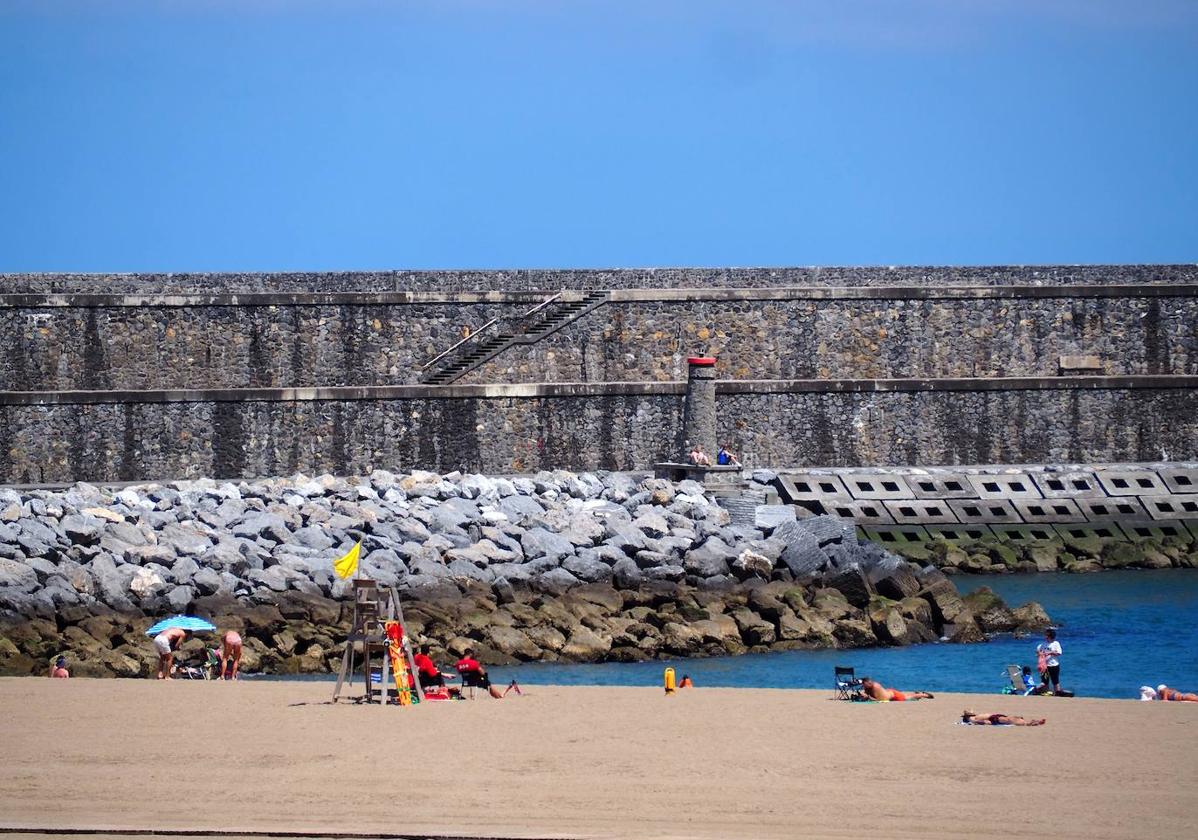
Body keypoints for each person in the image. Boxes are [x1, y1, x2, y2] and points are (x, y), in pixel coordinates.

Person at [455, 649, 520, 699]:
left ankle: (500, 694)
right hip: (477, 682)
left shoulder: (458, 663)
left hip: (466, 682)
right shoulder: (473, 662)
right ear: (470, 654)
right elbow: (482, 671)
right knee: (486, 679)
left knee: (486, 682)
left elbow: (459, 673)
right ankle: (501, 695)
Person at [860, 676, 934, 702]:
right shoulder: (868, 687)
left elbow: (883, 700)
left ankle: (924, 695)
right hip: (889, 692)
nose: (863, 686)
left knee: (908, 698)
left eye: (864, 684)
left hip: (893, 695)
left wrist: (868, 698)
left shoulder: (875, 687)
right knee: (906, 696)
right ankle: (917, 694)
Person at [1036, 629, 1063, 695]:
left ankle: (1057, 694)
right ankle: (1047, 694)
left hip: (1054, 665)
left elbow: (1059, 653)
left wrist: (1050, 653)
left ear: (1050, 636)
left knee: (1055, 681)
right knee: (1045, 682)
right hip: (1044, 666)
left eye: (1046, 635)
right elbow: (1038, 653)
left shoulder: (1056, 643)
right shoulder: (1042, 645)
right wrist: (1039, 654)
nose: (1045, 636)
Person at [961, 709, 1046, 726]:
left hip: (995, 717)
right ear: (968, 716)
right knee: (1010, 720)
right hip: (994, 719)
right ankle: (1029, 723)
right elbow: (985, 722)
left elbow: (966, 711)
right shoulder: (973, 718)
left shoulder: (975, 716)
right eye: (970, 713)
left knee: (1011, 718)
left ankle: (1030, 722)